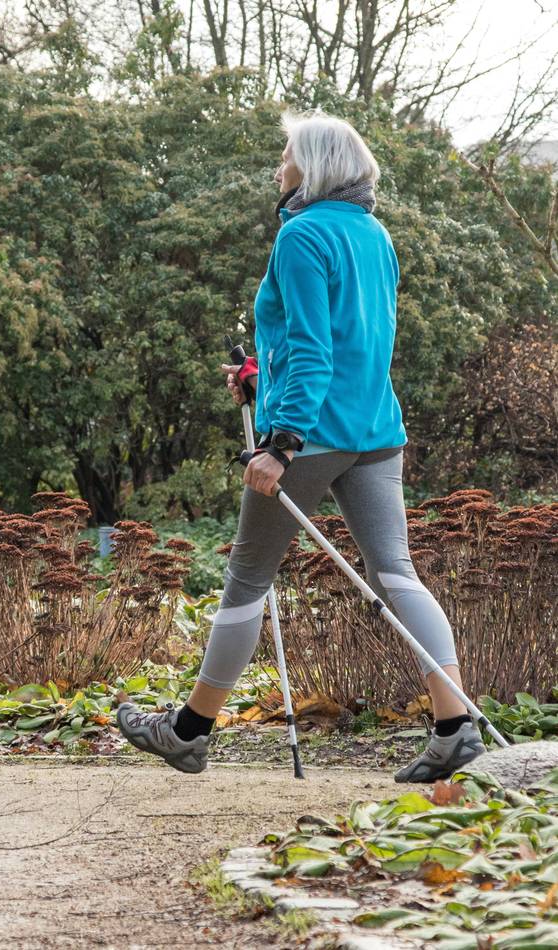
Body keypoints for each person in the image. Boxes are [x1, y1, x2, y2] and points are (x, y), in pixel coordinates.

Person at [116, 107, 486, 783]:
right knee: (395, 573)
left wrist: (279, 443)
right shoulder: (374, 235)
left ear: (312, 166)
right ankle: (455, 726)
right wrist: (261, 375)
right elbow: (348, 342)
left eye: (286, 154)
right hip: (376, 430)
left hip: (310, 436)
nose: (279, 165)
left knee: (246, 581)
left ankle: (187, 732)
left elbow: (316, 351)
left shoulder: (300, 238)